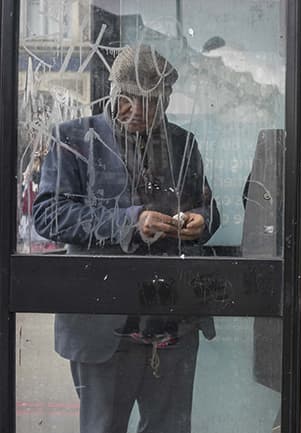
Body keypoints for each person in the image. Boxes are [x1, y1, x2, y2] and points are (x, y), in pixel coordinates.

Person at [33, 44, 219, 433]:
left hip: (173, 319)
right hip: (101, 324)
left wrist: (200, 220)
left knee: (170, 427)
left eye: (150, 103)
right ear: (113, 91)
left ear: (166, 101)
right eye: (127, 100)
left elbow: (208, 207)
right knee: (103, 427)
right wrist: (129, 221)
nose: (136, 111)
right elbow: (49, 215)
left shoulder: (182, 143)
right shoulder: (72, 139)